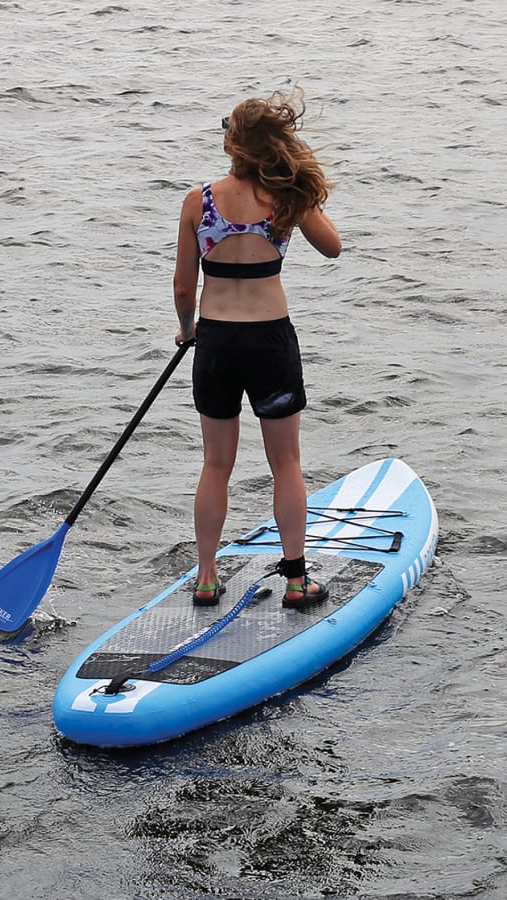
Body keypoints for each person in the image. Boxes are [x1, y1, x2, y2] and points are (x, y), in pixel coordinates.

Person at [171, 88, 342, 610]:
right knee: (285, 462)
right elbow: (333, 247)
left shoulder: (199, 200)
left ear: (233, 145)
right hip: (270, 339)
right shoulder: (287, 199)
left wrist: (187, 330)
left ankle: (205, 578)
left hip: (217, 340)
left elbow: (183, 287)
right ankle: (296, 582)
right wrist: (300, 196)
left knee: (215, 463)